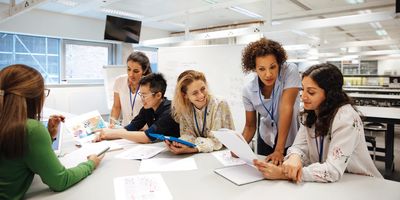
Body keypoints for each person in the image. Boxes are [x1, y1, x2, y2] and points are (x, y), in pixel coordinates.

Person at [253, 63, 383, 183]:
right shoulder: (311, 113)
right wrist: (294, 157)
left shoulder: (345, 118)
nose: (303, 97)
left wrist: (283, 173)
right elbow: (299, 146)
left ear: (329, 94)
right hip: (329, 185)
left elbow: (332, 171)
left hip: (362, 184)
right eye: (302, 89)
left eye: (311, 92)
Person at [0, 64, 104, 199]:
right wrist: (91, 164)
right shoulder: (31, 129)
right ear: (33, 97)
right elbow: (60, 181)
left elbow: (16, 155)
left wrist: (49, 135)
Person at [241, 38, 301, 164]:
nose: (268, 74)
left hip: (289, 136)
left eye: (272, 67)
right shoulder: (248, 89)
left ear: (279, 63)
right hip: (266, 137)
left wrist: (279, 150)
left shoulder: (289, 71)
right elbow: (250, 126)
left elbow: (286, 108)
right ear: (254, 69)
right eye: (261, 69)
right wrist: (238, 148)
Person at [94, 73, 179, 143]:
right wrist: (106, 133)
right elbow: (130, 128)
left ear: (158, 95)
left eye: (144, 95)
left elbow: (147, 137)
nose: (141, 99)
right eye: (140, 94)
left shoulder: (169, 111)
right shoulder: (147, 108)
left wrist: (117, 133)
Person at [166, 70, 235, 154]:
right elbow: (187, 136)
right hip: (199, 155)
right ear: (185, 95)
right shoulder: (184, 108)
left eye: (203, 89)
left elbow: (216, 141)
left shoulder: (219, 104)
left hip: (222, 154)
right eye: (195, 93)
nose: (201, 95)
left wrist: (193, 148)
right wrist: (180, 143)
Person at [110, 51, 152, 127]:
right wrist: (112, 124)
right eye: (129, 69)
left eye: (136, 71)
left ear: (144, 70)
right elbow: (116, 107)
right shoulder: (119, 81)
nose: (131, 74)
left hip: (143, 130)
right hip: (125, 128)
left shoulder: (150, 85)